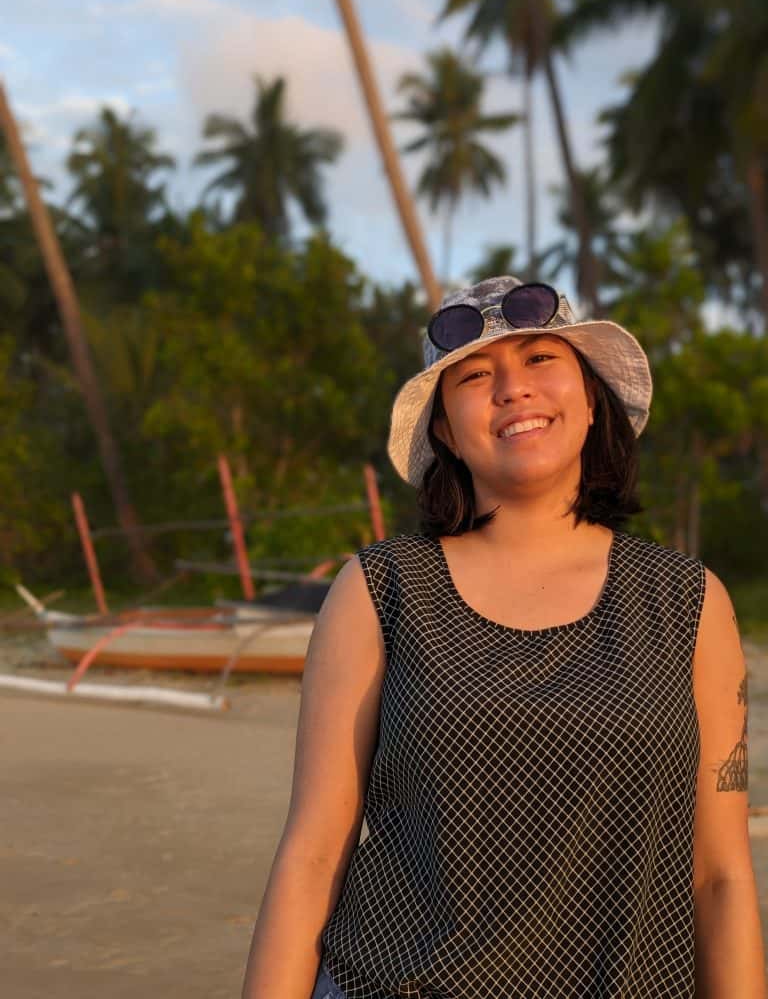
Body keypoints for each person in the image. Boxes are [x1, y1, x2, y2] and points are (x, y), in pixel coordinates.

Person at [241, 276, 766, 998]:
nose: (513, 388)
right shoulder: (381, 589)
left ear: (590, 401)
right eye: (476, 375)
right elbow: (313, 853)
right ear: (446, 433)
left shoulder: (686, 602)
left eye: (541, 360)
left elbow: (721, 877)